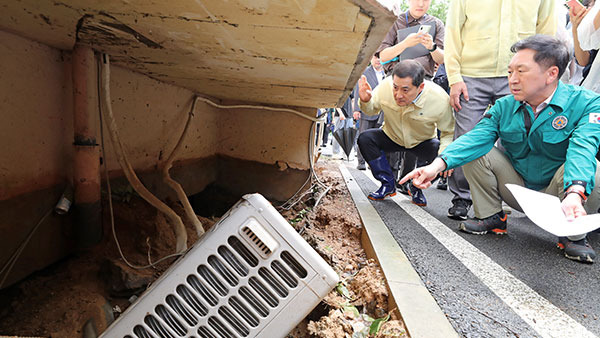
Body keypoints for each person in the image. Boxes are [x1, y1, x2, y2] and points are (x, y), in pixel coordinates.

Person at [402, 35, 600, 263]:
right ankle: (491, 215)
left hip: (563, 196)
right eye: (510, 72)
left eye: (521, 71)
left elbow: (583, 148)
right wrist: (434, 167)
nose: (512, 80)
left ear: (551, 74)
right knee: (477, 151)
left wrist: (574, 193)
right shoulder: (504, 106)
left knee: (594, 168)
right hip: (519, 191)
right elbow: (475, 138)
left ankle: (573, 235)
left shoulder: (587, 103)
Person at [444, 0, 556, 221]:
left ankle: (510, 197)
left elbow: (546, 34)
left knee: (515, 138)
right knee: (468, 134)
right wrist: (454, 77)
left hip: (519, 73)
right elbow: (453, 32)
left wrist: (541, 77)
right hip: (471, 73)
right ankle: (462, 197)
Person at [356, 60, 454, 206]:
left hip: (422, 142)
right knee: (365, 138)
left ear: (420, 87)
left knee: (444, 157)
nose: (398, 95)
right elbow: (371, 110)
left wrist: (446, 159)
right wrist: (365, 100)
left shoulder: (439, 98)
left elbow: (448, 132)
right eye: (395, 88)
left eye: (405, 90)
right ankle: (387, 184)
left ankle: (416, 186)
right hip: (392, 136)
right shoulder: (385, 86)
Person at [353, 55, 386, 170]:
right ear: (371, 59)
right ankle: (361, 161)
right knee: (363, 135)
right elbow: (359, 90)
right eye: (375, 57)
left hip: (380, 112)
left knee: (377, 139)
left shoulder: (386, 74)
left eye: (379, 58)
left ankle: (372, 162)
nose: (378, 60)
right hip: (366, 110)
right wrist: (357, 109)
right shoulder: (365, 72)